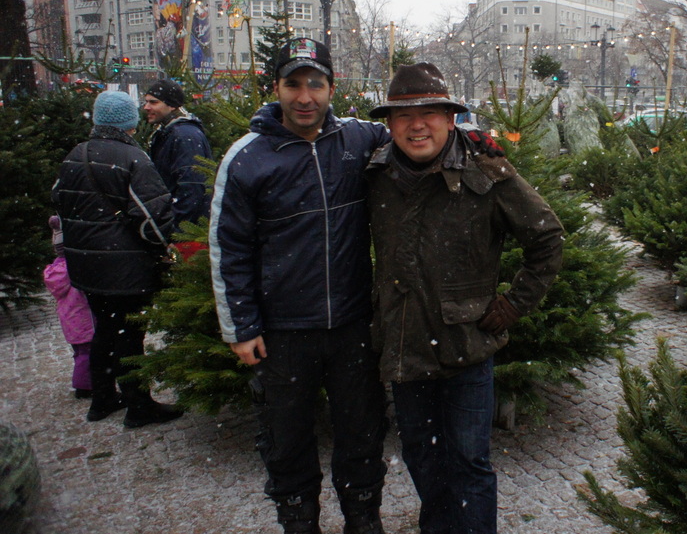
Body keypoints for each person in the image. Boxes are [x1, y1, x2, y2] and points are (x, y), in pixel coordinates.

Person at [365, 63, 564, 534]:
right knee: (421, 456)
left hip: (467, 350)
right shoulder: (374, 175)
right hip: (404, 347)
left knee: (469, 463)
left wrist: (514, 304)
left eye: (431, 112)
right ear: (389, 123)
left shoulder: (487, 172)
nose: (417, 125)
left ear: (452, 118)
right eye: (404, 114)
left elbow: (547, 238)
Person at [210, 38, 390, 534]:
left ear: (332, 87)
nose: (305, 96)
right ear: (276, 89)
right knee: (286, 440)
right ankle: (298, 521)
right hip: (283, 331)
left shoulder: (358, 139)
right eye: (293, 84)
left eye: (316, 83)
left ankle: (363, 519)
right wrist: (240, 328)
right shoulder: (248, 158)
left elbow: (417, 133)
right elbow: (229, 249)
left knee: (362, 433)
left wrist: (474, 138)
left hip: (352, 323)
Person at [51, 90, 184, 428]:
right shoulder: (132, 158)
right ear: (130, 123)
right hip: (124, 268)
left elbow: (58, 199)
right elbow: (152, 218)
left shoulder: (76, 155)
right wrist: (161, 247)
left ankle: (102, 399)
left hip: (85, 266)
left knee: (104, 330)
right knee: (129, 335)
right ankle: (139, 407)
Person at [142, 77, 213, 230]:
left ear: (172, 105)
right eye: (146, 101)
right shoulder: (168, 133)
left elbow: (192, 187)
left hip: (187, 233)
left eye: (154, 102)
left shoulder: (185, 136)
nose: (146, 107)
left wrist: (177, 230)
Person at [42, 215, 93, 399]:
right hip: (84, 320)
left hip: (69, 320)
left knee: (80, 353)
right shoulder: (75, 269)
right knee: (87, 354)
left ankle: (85, 383)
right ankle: (84, 387)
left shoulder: (57, 268)